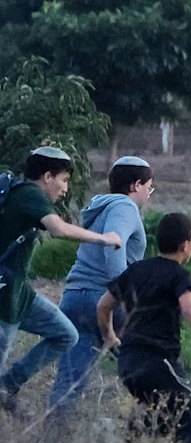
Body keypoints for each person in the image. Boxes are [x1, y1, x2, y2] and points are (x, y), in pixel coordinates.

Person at [97, 213, 191, 443]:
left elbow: (103, 306)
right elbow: (190, 308)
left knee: (158, 419)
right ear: (185, 246)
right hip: (157, 362)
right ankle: (114, 433)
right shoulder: (178, 275)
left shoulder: (136, 270)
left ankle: (114, 435)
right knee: (188, 422)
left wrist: (110, 337)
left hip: (128, 363)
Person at [0, 146, 122, 414]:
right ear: (47, 177)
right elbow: (58, 229)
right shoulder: (29, 194)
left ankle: (8, 384)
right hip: (4, 298)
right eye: (64, 180)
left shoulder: (22, 197)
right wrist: (104, 238)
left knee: (66, 334)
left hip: (20, 295)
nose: (65, 189)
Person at [49, 156, 154, 416]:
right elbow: (113, 245)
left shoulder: (102, 206)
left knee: (70, 380)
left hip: (75, 297)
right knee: (151, 368)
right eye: (149, 187)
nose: (149, 194)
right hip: (103, 299)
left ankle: (54, 438)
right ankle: (163, 427)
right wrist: (123, 297)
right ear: (136, 185)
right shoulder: (125, 207)